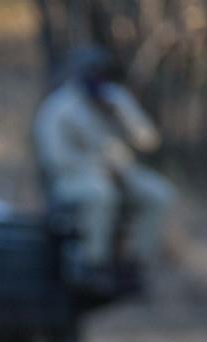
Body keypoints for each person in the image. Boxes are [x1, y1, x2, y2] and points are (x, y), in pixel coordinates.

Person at [32, 47, 173, 286]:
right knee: (101, 194)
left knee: (159, 194)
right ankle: (93, 263)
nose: (99, 78)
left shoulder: (116, 98)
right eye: (93, 72)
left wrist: (122, 116)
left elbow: (149, 141)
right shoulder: (60, 107)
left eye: (102, 73)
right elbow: (54, 159)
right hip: (75, 177)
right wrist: (100, 168)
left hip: (122, 173)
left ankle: (133, 262)